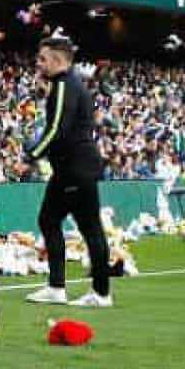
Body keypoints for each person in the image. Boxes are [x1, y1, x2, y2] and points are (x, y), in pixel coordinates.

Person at [23, 35, 112, 308]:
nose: (39, 64)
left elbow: (57, 129)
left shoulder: (64, 85)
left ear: (59, 60)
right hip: (75, 167)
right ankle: (60, 287)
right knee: (50, 220)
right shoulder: (69, 85)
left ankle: (98, 293)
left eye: (43, 59)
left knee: (88, 228)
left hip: (75, 168)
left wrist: (31, 156)